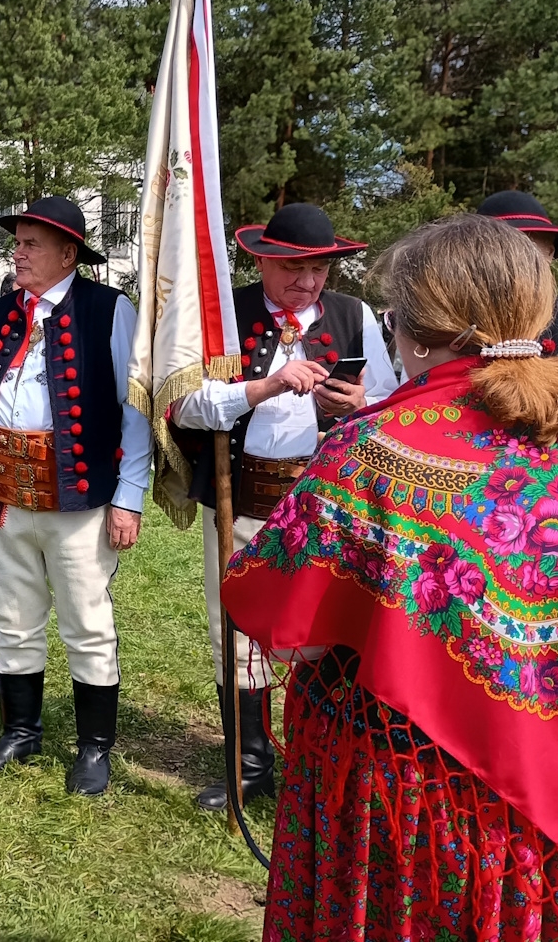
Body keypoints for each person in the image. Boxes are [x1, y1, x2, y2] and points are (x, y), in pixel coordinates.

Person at [224, 213, 558, 940]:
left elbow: (285, 624)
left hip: (403, 801)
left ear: (411, 331)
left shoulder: (372, 449)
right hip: (548, 814)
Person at [171, 202, 397, 811]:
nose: (308, 280)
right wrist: (261, 387)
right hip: (240, 499)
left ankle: (319, 761)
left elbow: (390, 404)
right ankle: (250, 767)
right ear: (263, 261)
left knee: (324, 629)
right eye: (295, 268)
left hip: (326, 505)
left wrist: (357, 405)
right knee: (236, 629)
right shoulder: (226, 314)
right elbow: (184, 406)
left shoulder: (353, 315)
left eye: (319, 269)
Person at [0, 196, 153, 796]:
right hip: (5, 495)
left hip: (80, 498)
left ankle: (94, 748)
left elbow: (134, 410)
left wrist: (129, 496)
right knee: (14, 618)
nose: (18, 252)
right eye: (17, 242)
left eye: (30, 243)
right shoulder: (0, 311)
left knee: (87, 622)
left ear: (68, 254)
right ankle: (21, 731)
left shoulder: (109, 309)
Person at [476, 189, 558, 355]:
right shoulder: (451, 319)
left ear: (549, 253)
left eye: (528, 246)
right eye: (501, 246)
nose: (514, 259)